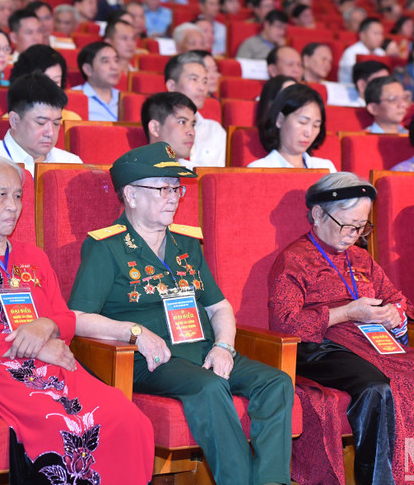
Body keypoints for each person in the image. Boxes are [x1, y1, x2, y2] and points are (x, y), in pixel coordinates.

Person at [69, 142, 294, 485]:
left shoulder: (186, 243)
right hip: (150, 360)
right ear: (130, 195)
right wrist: (134, 332)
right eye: (163, 189)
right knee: (209, 388)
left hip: (202, 349)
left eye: (177, 189)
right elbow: (78, 316)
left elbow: (219, 307)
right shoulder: (106, 247)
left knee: (277, 382)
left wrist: (224, 346)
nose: (174, 197)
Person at [0, 154, 152, 482]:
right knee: (60, 427)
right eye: (1, 194)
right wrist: (33, 348)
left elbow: (64, 317)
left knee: (130, 419)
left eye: (18, 196)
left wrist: (46, 326)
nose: (13, 205)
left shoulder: (33, 256)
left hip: (57, 364)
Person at [268, 171, 414, 484]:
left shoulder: (361, 259)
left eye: (361, 226)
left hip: (374, 343)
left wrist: (396, 315)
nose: (353, 234)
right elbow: (284, 323)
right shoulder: (294, 259)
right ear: (316, 213)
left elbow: (400, 301)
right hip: (320, 348)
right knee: (378, 389)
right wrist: (344, 313)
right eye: (347, 224)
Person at [0, 73, 81, 174]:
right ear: (14, 121)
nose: (50, 133)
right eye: (41, 123)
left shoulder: (71, 164)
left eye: (56, 123)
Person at [248, 84, 336, 171]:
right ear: (280, 120)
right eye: (303, 122)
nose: (308, 133)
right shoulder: (259, 170)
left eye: (316, 125)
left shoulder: (326, 168)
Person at [164, 52, 226, 167]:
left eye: (205, 81)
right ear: (172, 86)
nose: (202, 87)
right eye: (194, 79)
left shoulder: (215, 131)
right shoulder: (161, 126)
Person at [141, 91, 197, 166]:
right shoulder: (132, 174)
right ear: (155, 128)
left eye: (193, 124)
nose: (192, 132)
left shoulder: (196, 173)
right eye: (182, 122)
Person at [72, 42, 121, 122]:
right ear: (88, 69)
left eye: (116, 60)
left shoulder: (125, 99)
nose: (114, 67)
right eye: (106, 61)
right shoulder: (73, 97)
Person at [338, 17, 385, 83]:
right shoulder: (351, 53)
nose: (380, 37)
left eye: (381, 34)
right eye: (375, 33)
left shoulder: (381, 53)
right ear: (362, 35)